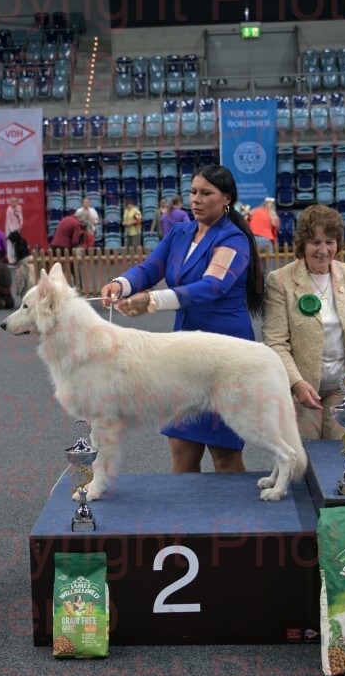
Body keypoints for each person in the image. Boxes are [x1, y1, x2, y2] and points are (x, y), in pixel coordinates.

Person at [101, 164, 264, 474]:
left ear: (227, 198)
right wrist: (121, 284)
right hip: (184, 357)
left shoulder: (234, 240)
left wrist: (153, 301)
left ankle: (237, 509)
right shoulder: (180, 232)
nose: (196, 199)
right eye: (193, 192)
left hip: (223, 359)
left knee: (225, 456)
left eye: (206, 193)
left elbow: (213, 286)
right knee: (181, 452)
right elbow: (150, 269)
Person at [262, 204, 345, 440]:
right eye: (315, 242)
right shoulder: (280, 281)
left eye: (330, 242)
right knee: (304, 458)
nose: (324, 250)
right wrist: (297, 383)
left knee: (344, 452)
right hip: (302, 391)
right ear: (303, 243)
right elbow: (275, 342)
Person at [5, 196, 23, 265]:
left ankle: (15, 258)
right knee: (10, 244)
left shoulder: (19, 208)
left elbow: (20, 217)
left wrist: (20, 225)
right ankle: (10, 259)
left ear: (17, 202)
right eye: (12, 201)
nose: (13, 203)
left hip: (17, 228)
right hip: (9, 229)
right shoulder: (9, 209)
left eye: (14, 201)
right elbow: (8, 221)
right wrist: (12, 231)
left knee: (16, 244)